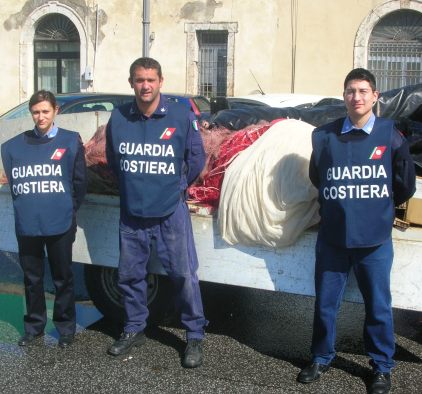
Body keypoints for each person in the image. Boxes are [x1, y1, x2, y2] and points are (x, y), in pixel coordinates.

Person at [297, 68, 416, 394]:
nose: (357, 97)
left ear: (375, 96)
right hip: (333, 239)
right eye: (351, 91)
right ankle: (321, 357)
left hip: (374, 241)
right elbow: (317, 177)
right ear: (344, 96)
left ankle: (381, 367)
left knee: (378, 307)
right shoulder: (324, 136)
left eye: (364, 91)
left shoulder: (391, 135)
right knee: (325, 304)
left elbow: (404, 185)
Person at [105, 57, 208, 368]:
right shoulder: (120, 118)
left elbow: (196, 157)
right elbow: (113, 160)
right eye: (139, 80)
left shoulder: (179, 114)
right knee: (129, 276)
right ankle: (134, 327)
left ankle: (194, 335)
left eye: (150, 79)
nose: (145, 85)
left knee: (183, 276)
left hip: (169, 213)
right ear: (131, 83)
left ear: (160, 81)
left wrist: (175, 188)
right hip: (132, 214)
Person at [1, 90, 87, 348]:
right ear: (31, 113)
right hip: (28, 224)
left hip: (59, 223)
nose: (41, 116)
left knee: (63, 278)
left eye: (45, 111)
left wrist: (68, 209)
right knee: (32, 278)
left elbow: (80, 183)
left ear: (56, 111)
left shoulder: (70, 141)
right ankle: (34, 327)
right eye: (36, 112)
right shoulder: (12, 147)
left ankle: (66, 328)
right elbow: (16, 184)